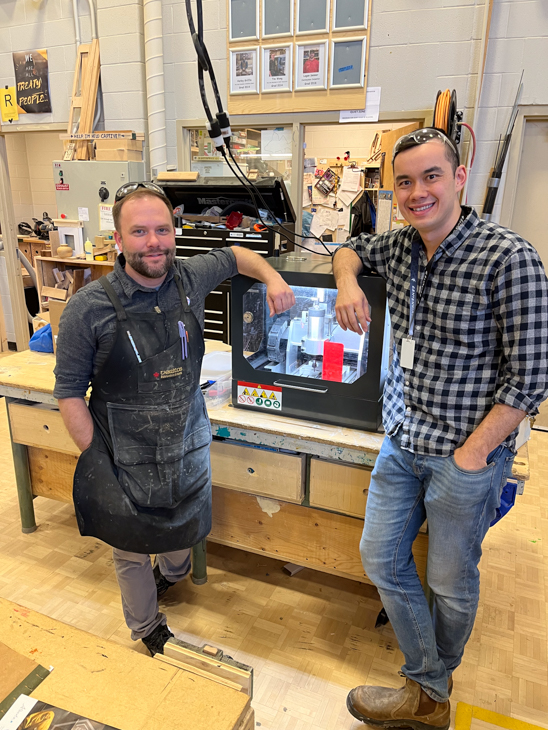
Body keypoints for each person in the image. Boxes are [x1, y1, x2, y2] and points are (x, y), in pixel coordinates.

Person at [333, 128, 548, 729]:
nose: (416, 191)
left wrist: (475, 453)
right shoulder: (400, 248)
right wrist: (348, 281)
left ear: (459, 178)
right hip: (403, 440)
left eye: (431, 176)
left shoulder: (509, 258)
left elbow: (532, 377)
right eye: (404, 181)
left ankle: (428, 687)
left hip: (464, 455)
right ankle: (430, 685)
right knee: (380, 558)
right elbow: (347, 249)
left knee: (451, 581)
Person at [54, 182, 295, 656]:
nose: (153, 242)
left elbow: (237, 255)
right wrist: (97, 459)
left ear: (175, 232)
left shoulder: (190, 277)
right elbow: (68, 392)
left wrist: (273, 279)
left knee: (180, 534)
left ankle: (173, 576)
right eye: (139, 231)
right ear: (119, 239)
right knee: (130, 547)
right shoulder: (89, 307)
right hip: (124, 454)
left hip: (185, 442)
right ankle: (146, 627)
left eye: (162, 229)